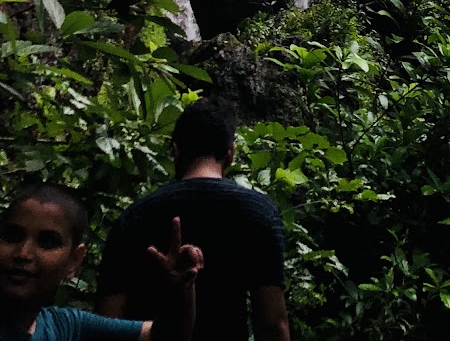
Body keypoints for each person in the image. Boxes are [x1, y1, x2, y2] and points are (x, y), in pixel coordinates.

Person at [97, 101, 287, 341]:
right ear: (230, 153)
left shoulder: (136, 215)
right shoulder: (259, 213)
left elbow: (108, 320)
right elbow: (273, 324)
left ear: (175, 150)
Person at [0, 183, 201, 341]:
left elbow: (165, 336)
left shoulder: (64, 326)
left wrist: (182, 289)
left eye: (47, 242)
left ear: (73, 261)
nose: (23, 253)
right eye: (12, 236)